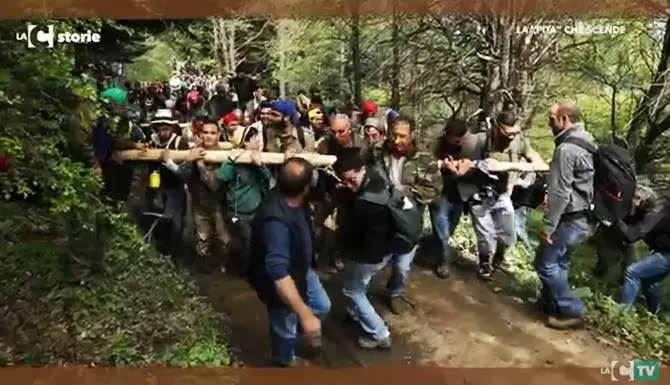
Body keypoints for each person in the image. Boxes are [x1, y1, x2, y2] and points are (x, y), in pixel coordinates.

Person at [247, 157, 330, 367]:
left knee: (322, 305)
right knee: (285, 326)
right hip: (279, 283)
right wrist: (304, 314)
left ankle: (304, 328)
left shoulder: (290, 195)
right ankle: (285, 360)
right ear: (305, 188)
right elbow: (278, 273)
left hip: (301, 268)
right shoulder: (275, 220)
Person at [333, 148, 419, 349]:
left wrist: (345, 249)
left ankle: (379, 333)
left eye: (351, 180)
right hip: (387, 247)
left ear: (361, 169)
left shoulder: (367, 204)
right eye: (343, 180)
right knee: (361, 282)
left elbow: (355, 234)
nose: (348, 185)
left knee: (352, 290)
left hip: (371, 254)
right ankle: (356, 312)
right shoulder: (377, 175)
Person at [535, 100, 595, 329]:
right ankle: (550, 303)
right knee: (560, 262)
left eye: (551, 119)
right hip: (582, 218)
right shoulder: (587, 141)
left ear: (564, 119)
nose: (549, 123)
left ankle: (572, 310)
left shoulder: (566, 149)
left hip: (569, 219)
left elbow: (559, 192)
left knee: (545, 264)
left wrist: (548, 226)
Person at [217, 125, 273, 273]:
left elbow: (269, 180)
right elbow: (222, 177)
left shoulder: (259, 159)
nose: (256, 142)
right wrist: (230, 161)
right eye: (251, 139)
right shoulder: (235, 161)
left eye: (256, 138)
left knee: (257, 241)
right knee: (246, 242)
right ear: (244, 142)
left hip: (257, 209)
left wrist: (259, 165)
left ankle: (254, 269)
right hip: (239, 211)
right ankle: (247, 271)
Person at [615, 185, 670, 314]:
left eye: (637, 198)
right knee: (650, 282)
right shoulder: (652, 208)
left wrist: (614, 217)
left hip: (667, 254)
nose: (634, 201)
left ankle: (623, 311)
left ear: (646, 200)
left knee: (632, 272)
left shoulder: (656, 211)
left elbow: (632, 235)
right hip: (663, 251)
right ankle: (653, 314)